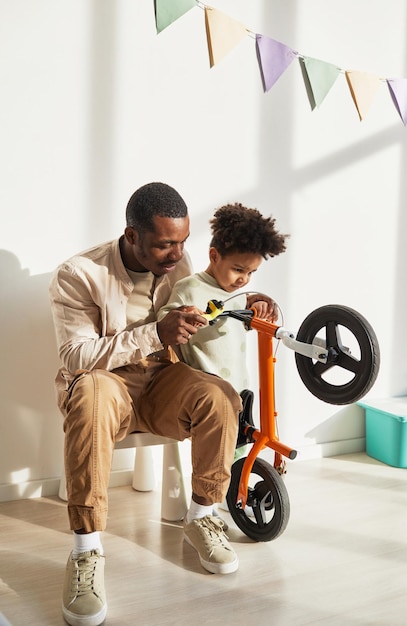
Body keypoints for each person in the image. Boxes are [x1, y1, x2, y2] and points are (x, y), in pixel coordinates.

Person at [49, 182, 278, 626]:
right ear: (132, 236)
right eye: (165, 244)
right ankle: (85, 551)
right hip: (104, 381)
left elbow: (207, 302)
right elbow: (75, 357)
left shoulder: (180, 263)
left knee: (220, 396)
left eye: (183, 242)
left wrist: (246, 303)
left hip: (161, 378)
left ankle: (203, 516)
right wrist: (155, 333)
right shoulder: (78, 274)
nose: (177, 254)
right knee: (93, 398)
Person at [157, 202, 288, 475]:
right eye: (239, 270)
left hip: (240, 384)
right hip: (207, 385)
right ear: (214, 256)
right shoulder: (190, 287)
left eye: (251, 273)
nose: (244, 279)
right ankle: (209, 498)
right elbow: (165, 320)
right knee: (214, 446)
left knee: (241, 443)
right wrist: (184, 314)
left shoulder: (239, 295)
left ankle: (235, 493)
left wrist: (259, 308)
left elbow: (247, 319)